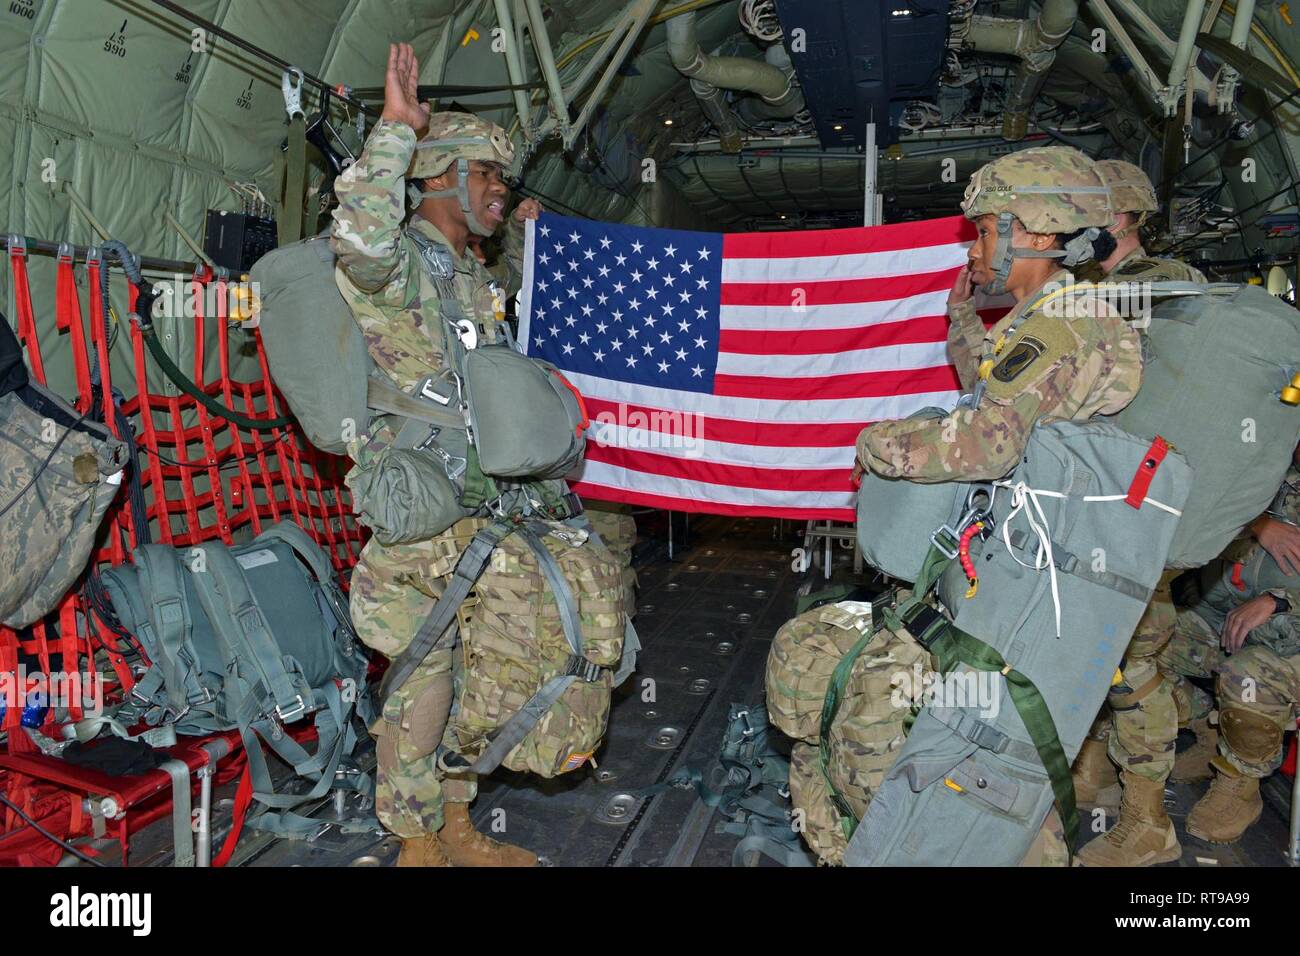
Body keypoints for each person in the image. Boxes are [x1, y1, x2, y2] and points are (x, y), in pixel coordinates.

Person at [854, 146, 1138, 864]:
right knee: (997, 752)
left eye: (984, 230)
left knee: (989, 757)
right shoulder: (1059, 317)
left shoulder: (1058, 326)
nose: (976, 246)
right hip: (1038, 565)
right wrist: (962, 309)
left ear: (1038, 233)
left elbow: (986, 445)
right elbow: (995, 388)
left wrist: (879, 444)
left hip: (1034, 584)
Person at [331, 42, 543, 867]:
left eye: (503, 179)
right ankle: (414, 838)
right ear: (440, 176)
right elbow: (358, 239)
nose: (500, 191)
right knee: (422, 673)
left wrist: (521, 245)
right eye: (487, 175)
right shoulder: (399, 263)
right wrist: (393, 130)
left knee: (480, 667)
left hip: (482, 503)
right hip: (421, 504)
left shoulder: (466, 271)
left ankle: (457, 822)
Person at [1066, 159, 1210, 866]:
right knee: (1089, 650)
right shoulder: (1090, 289)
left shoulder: (1166, 283)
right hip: (1099, 497)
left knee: (1131, 659)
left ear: (1120, 218)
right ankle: (1094, 770)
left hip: (1145, 501)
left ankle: (1148, 820)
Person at [1152, 444, 1300, 844]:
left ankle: (1241, 783)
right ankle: (1211, 731)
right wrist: (1260, 523)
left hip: (1290, 645)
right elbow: (1210, 494)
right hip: (1221, 615)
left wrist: (1280, 601)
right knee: (1144, 636)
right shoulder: (1272, 470)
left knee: (1248, 674)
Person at [1072, 159, 1206, 283]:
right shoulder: (1086, 280)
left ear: (1112, 220)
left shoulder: (1162, 277)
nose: (1071, 228)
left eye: (1079, 218)